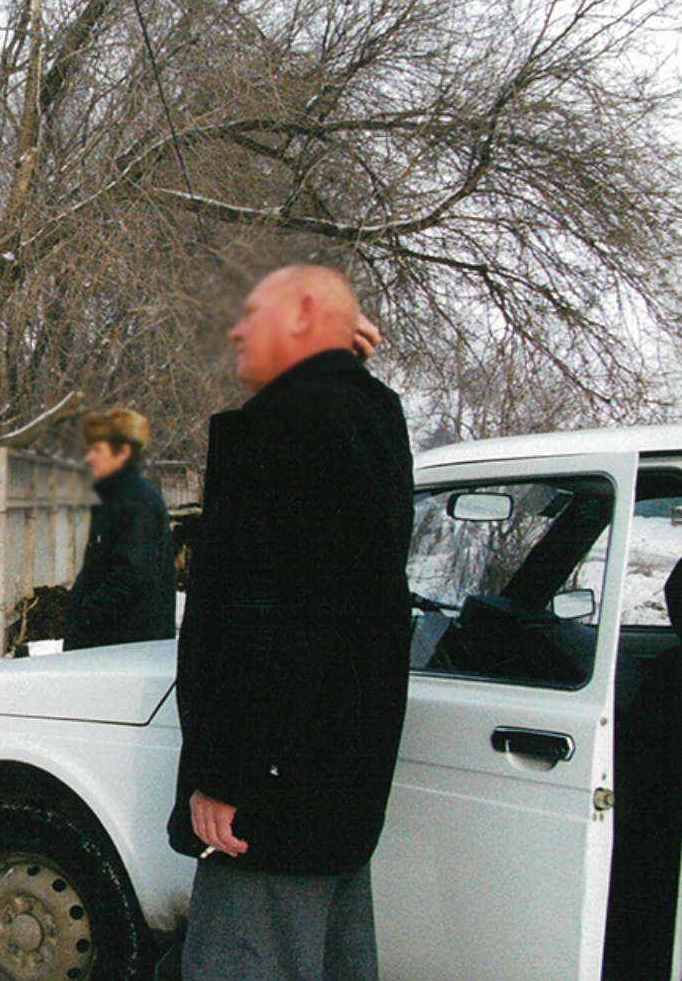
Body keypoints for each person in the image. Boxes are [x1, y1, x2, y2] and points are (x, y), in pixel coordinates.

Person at [167, 264, 415, 981]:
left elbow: (278, 622)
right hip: (335, 792)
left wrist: (228, 773)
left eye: (256, 315)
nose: (238, 332)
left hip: (273, 800)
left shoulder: (295, 424)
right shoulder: (368, 416)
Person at [63, 408, 176, 650]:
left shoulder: (134, 500)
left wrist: (87, 616)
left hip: (121, 650)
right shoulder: (122, 497)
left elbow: (132, 576)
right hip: (118, 648)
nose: (89, 458)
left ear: (123, 452)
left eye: (97, 450)